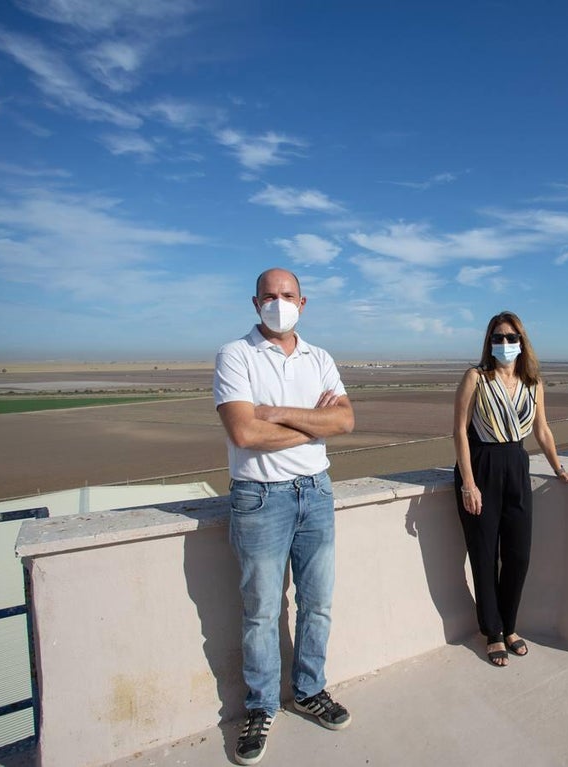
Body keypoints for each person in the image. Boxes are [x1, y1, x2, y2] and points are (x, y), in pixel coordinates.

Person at [213, 268, 355, 765]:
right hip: (259, 496)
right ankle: (261, 706)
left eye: (288, 295)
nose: (279, 303)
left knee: (318, 605)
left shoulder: (320, 358)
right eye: (270, 296)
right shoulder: (236, 355)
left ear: (304, 302)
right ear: (255, 303)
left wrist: (275, 412)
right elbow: (245, 435)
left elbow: (346, 419)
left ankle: (310, 689)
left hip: (315, 493)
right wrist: (314, 428)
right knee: (261, 612)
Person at [453, 311, 568, 666]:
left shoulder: (533, 383)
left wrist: (560, 469)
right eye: (498, 338)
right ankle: (493, 632)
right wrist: (468, 482)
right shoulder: (475, 378)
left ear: (522, 342)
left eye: (511, 338)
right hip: (481, 466)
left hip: (517, 464)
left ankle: (510, 624)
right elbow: (458, 432)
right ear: (489, 342)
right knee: (483, 555)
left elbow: (542, 430)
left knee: (518, 554)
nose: (505, 344)